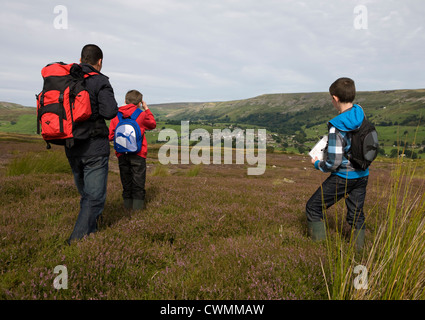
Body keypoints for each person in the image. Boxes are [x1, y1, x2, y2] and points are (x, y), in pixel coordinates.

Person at [306, 77, 369, 251]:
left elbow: (333, 163)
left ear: (335, 98)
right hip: (363, 174)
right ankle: (359, 252)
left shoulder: (337, 126)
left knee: (313, 207)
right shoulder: (361, 115)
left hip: (343, 176)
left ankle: (317, 250)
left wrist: (317, 163)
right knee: (356, 215)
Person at [66, 44, 118, 244]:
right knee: (94, 198)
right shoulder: (100, 81)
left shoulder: (68, 79)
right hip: (94, 147)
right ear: (100, 62)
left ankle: (92, 231)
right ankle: (76, 241)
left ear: (81, 59)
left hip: (71, 146)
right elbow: (109, 112)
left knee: (86, 194)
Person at [108, 90, 157, 211]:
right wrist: (147, 109)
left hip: (121, 154)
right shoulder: (141, 114)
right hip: (138, 154)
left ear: (125, 101)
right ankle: (137, 212)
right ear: (140, 103)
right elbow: (153, 124)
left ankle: (126, 209)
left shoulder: (116, 114)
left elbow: (110, 136)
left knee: (126, 182)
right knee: (138, 183)